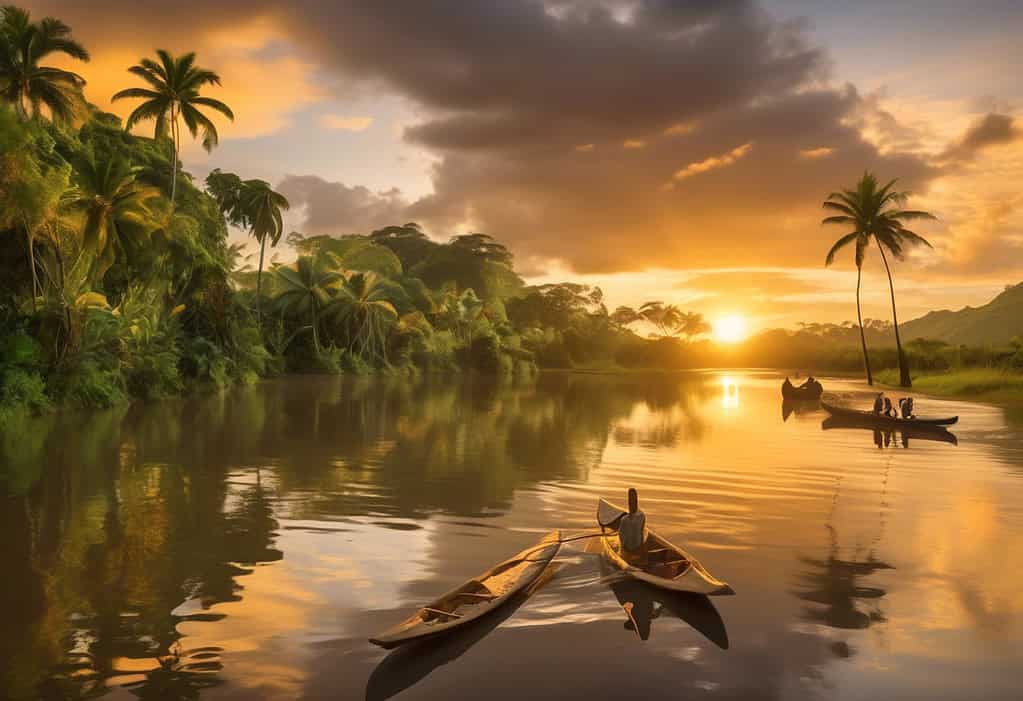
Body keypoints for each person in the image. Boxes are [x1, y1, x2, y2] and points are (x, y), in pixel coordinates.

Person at [618, 488, 647, 563]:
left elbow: (641, 532)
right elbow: (621, 536)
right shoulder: (624, 520)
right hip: (628, 548)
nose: (632, 503)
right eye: (631, 501)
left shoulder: (641, 516)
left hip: (637, 547)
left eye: (633, 500)